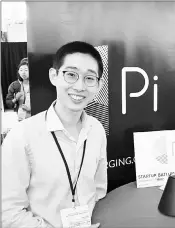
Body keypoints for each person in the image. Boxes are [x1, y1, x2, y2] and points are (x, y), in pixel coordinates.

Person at [2, 41, 108, 228]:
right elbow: (8, 212)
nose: (80, 86)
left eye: (90, 78)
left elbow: (98, 190)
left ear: (99, 85)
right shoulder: (22, 136)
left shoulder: (97, 130)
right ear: (54, 76)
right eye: (71, 75)